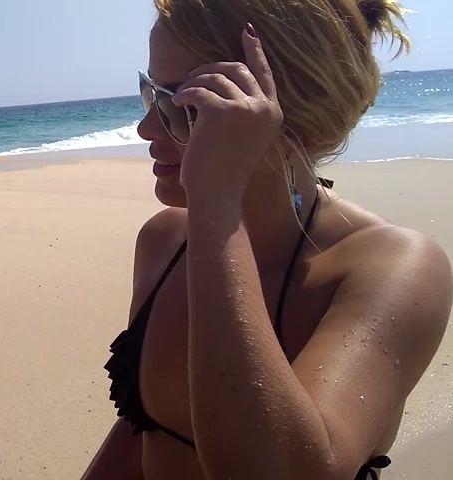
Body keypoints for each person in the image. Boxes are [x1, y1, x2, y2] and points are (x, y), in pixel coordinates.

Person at [82, 0, 453, 479]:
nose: (145, 127)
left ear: (287, 114)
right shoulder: (164, 242)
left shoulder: (392, 266)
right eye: (150, 93)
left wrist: (217, 202)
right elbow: (140, 430)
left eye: (183, 106)